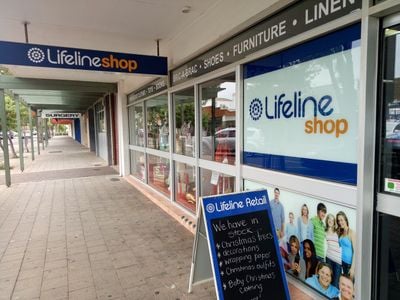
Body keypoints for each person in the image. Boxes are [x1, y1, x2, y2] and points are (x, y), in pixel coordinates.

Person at [337, 211, 356, 278]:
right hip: (342, 262)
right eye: (338, 220)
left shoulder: (351, 232)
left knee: (349, 285)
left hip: (349, 264)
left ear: (345, 219)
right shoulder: (341, 233)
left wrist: (352, 268)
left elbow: (355, 251)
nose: (340, 222)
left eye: (341, 220)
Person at [325, 213, 342, 288]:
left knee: (336, 282)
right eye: (329, 219)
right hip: (329, 258)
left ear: (334, 221)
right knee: (329, 280)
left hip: (338, 260)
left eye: (332, 219)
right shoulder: (325, 232)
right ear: (327, 220)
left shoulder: (337, 231)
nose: (330, 221)